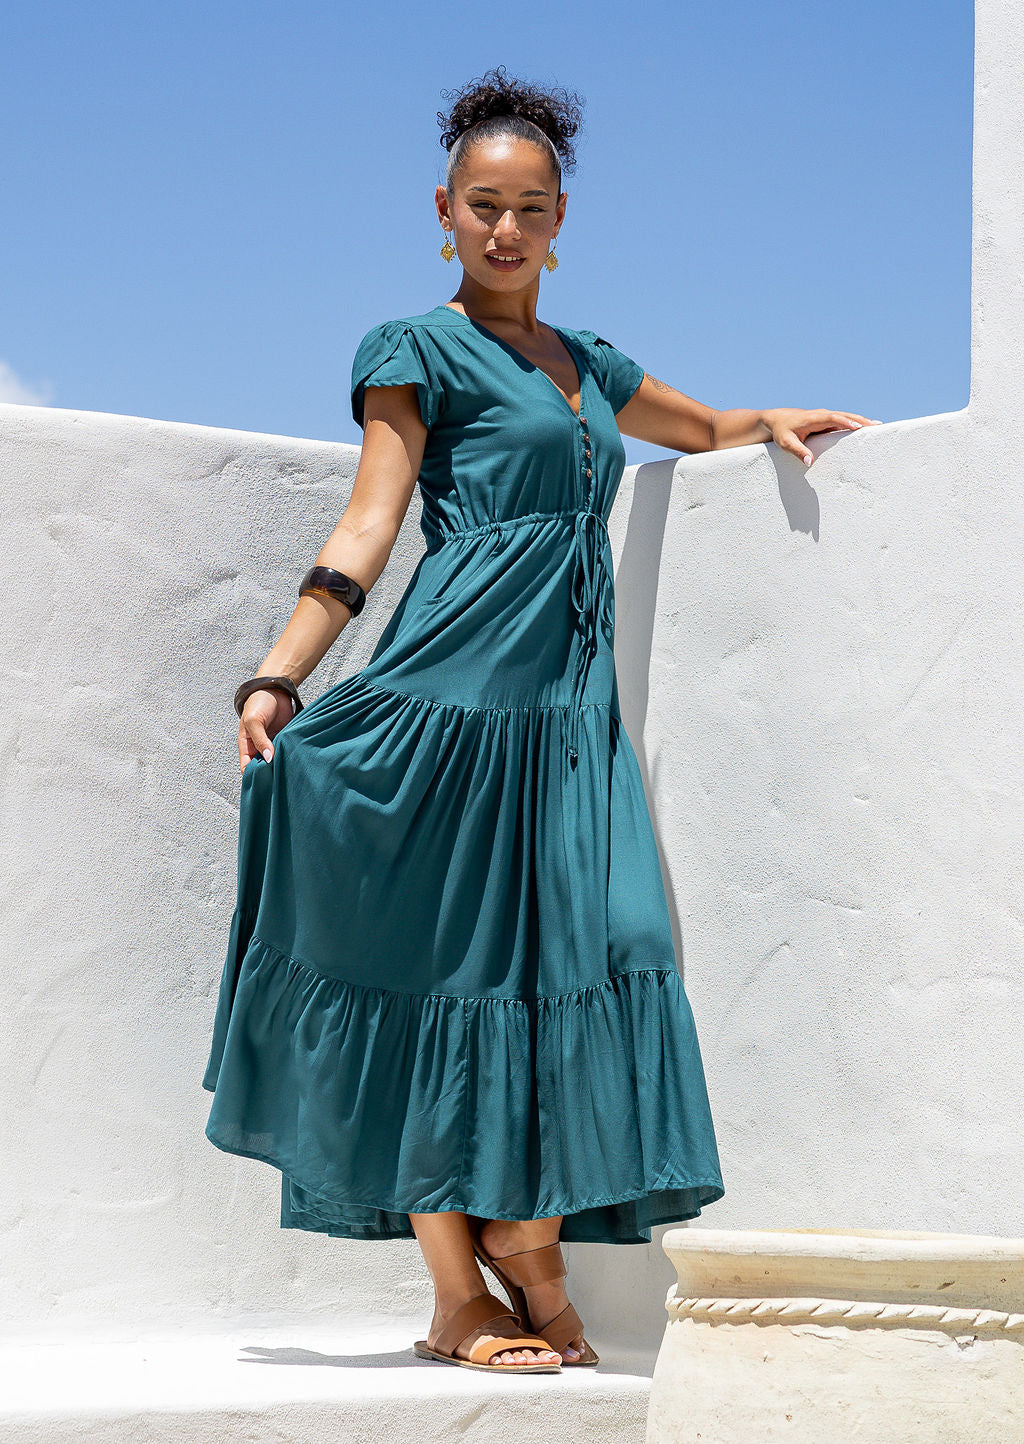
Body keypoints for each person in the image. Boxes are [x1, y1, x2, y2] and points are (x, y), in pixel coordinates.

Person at [201, 65, 882, 1376]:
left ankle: (528, 1237)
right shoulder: (411, 349)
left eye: (531, 207)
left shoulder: (587, 365)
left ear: (561, 219)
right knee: (441, 973)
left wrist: (770, 417)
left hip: (569, 723)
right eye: (482, 205)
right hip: (451, 701)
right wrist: (278, 676)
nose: (505, 229)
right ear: (443, 211)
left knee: (597, 950)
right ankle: (468, 1288)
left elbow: (697, 427)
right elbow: (368, 523)